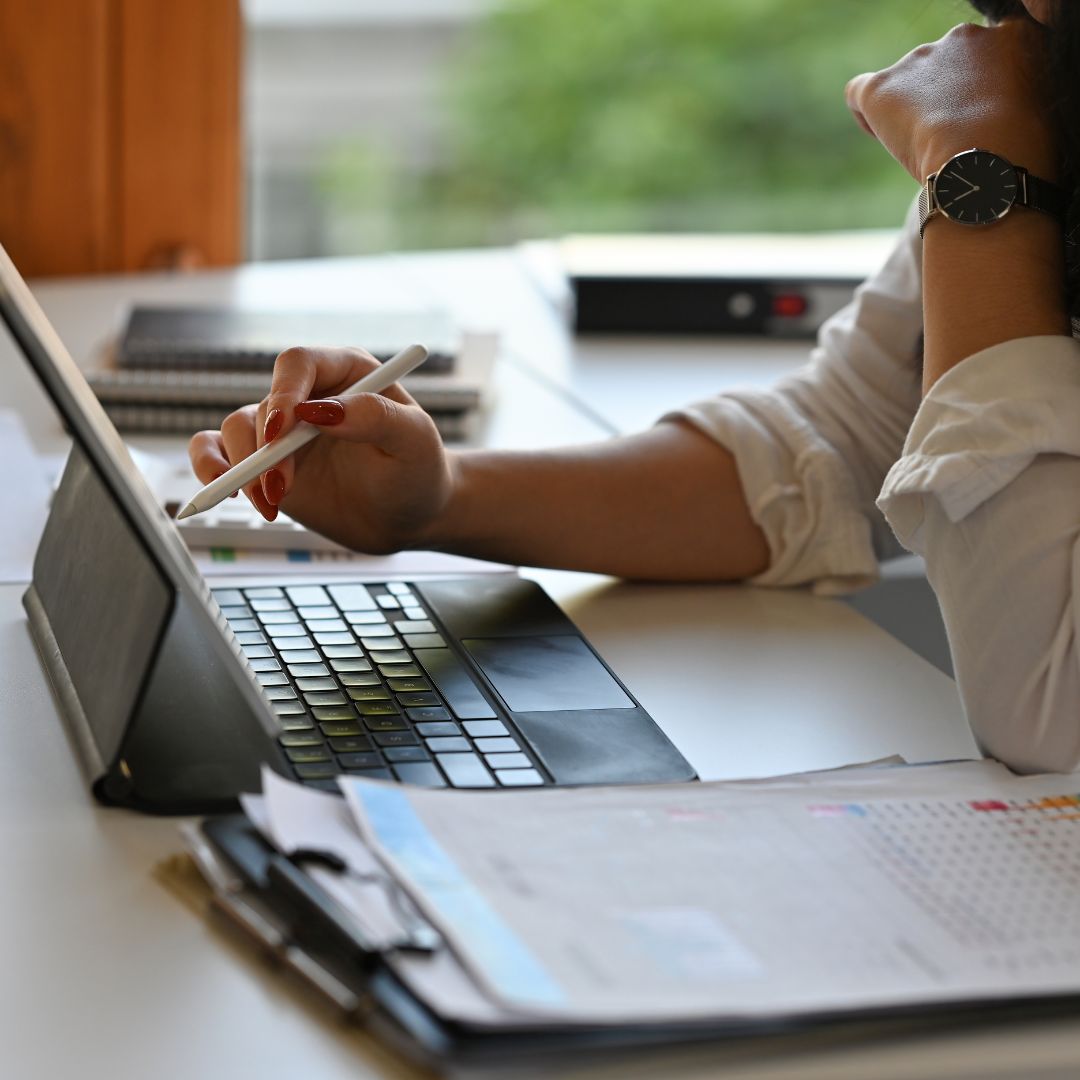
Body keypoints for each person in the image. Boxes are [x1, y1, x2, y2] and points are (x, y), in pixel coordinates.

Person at [190, 0, 1080, 773]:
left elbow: (1046, 718)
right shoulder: (1031, 95)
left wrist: (980, 184)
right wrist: (438, 500)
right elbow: (839, 440)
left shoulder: (992, 146)